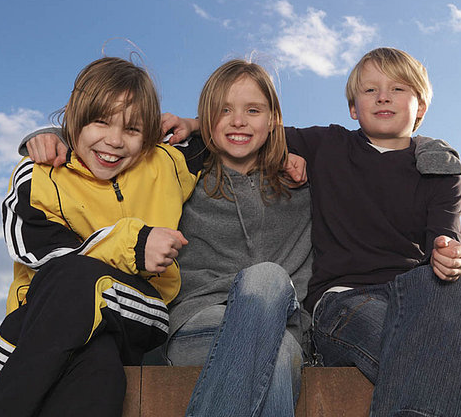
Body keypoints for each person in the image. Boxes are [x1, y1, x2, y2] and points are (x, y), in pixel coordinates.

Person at [20, 59, 313, 417]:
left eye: (253, 110)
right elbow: (112, 141)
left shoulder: (303, 181)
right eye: (223, 111)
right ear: (206, 120)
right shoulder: (183, 169)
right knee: (272, 326)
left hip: (284, 327)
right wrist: (52, 136)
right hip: (200, 325)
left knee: (274, 316)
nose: (238, 120)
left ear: (273, 119)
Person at [284, 47, 461, 416]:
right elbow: (249, 128)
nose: (383, 96)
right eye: (370, 90)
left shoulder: (440, 170)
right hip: (344, 300)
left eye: (399, 88)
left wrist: (450, 255)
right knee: (435, 350)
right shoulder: (328, 144)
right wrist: (195, 125)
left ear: (420, 107)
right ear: (354, 109)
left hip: (417, 297)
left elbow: (444, 242)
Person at [0, 57, 199, 417]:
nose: (114, 141)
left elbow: (236, 131)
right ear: (75, 116)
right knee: (98, 367)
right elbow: (38, 251)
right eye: (101, 121)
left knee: (78, 285)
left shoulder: (165, 163)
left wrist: (191, 123)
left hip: (138, 306)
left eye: (132, 129)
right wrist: (135, 244)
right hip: (46, 321)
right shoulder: (37, 176)